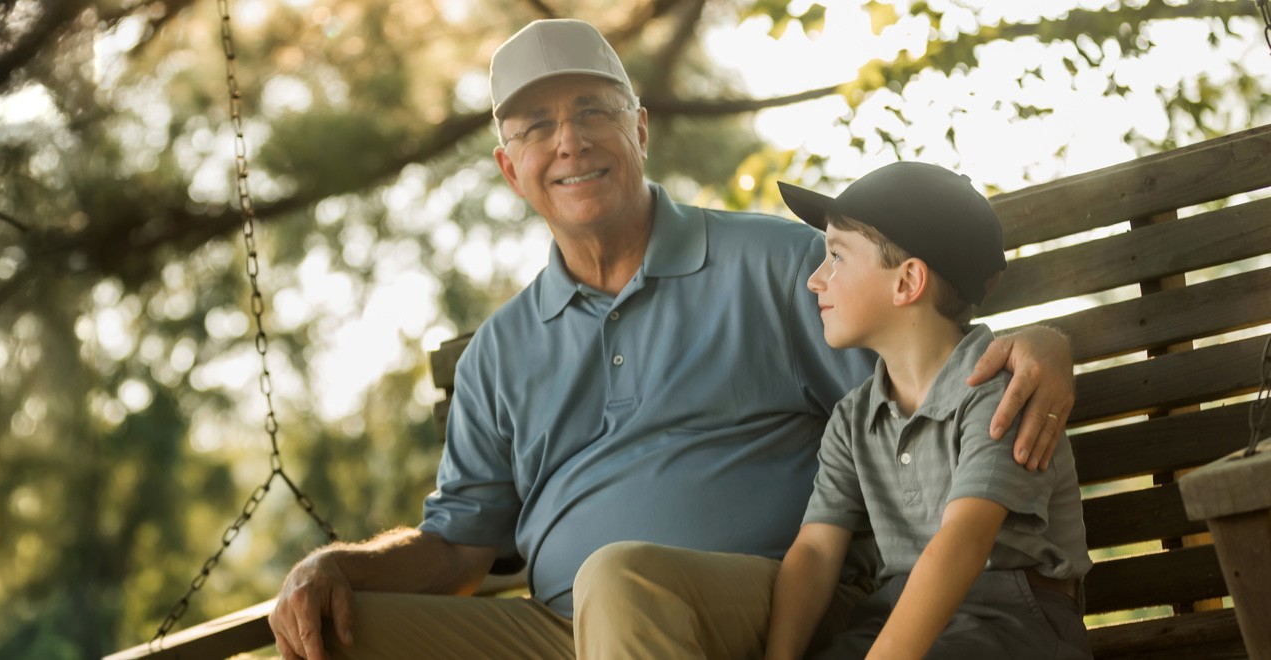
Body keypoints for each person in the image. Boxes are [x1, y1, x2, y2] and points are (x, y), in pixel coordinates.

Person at [269, 19, 1076, 660]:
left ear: (641, 129)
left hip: (755, 604)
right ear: (509, 168)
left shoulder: (780, 266)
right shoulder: (498, 353)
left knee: (621, 580)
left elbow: (923, 355)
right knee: (338, 639)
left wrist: (1044, 343)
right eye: (535, 127)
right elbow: (456, 551)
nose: (569, 141)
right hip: (563, 632)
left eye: (593, 110)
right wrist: (335, 568)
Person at [764, 164, 1091, 659]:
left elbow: (963, 541)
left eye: (835, 257)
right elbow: (814, 551)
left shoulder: (998, 393)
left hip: (1011, 620)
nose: (815, 281)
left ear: (907, 282)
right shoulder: (853, 421)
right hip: (893, 619)